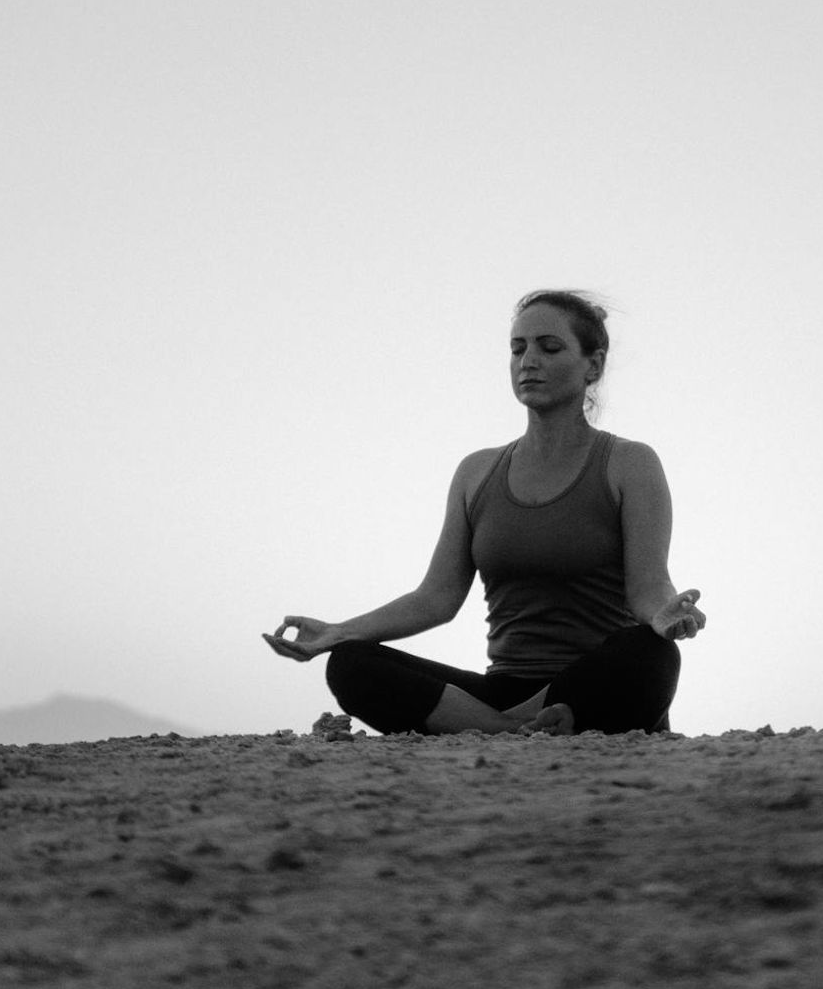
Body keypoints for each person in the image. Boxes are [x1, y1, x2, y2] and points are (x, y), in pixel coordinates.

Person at [263, 290, 706, 735]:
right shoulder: (476, 473)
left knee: (652, 652)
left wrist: (664, 614)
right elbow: (435, 598)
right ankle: (520, 728)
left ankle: (500, 726)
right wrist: (337, 633)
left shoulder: (629, 463)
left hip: (595, 681)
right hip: (502, 689)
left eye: (549, 348)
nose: (528, 360)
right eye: (518, 349)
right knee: (352, 664)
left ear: (593, 365)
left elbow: (647, 586)